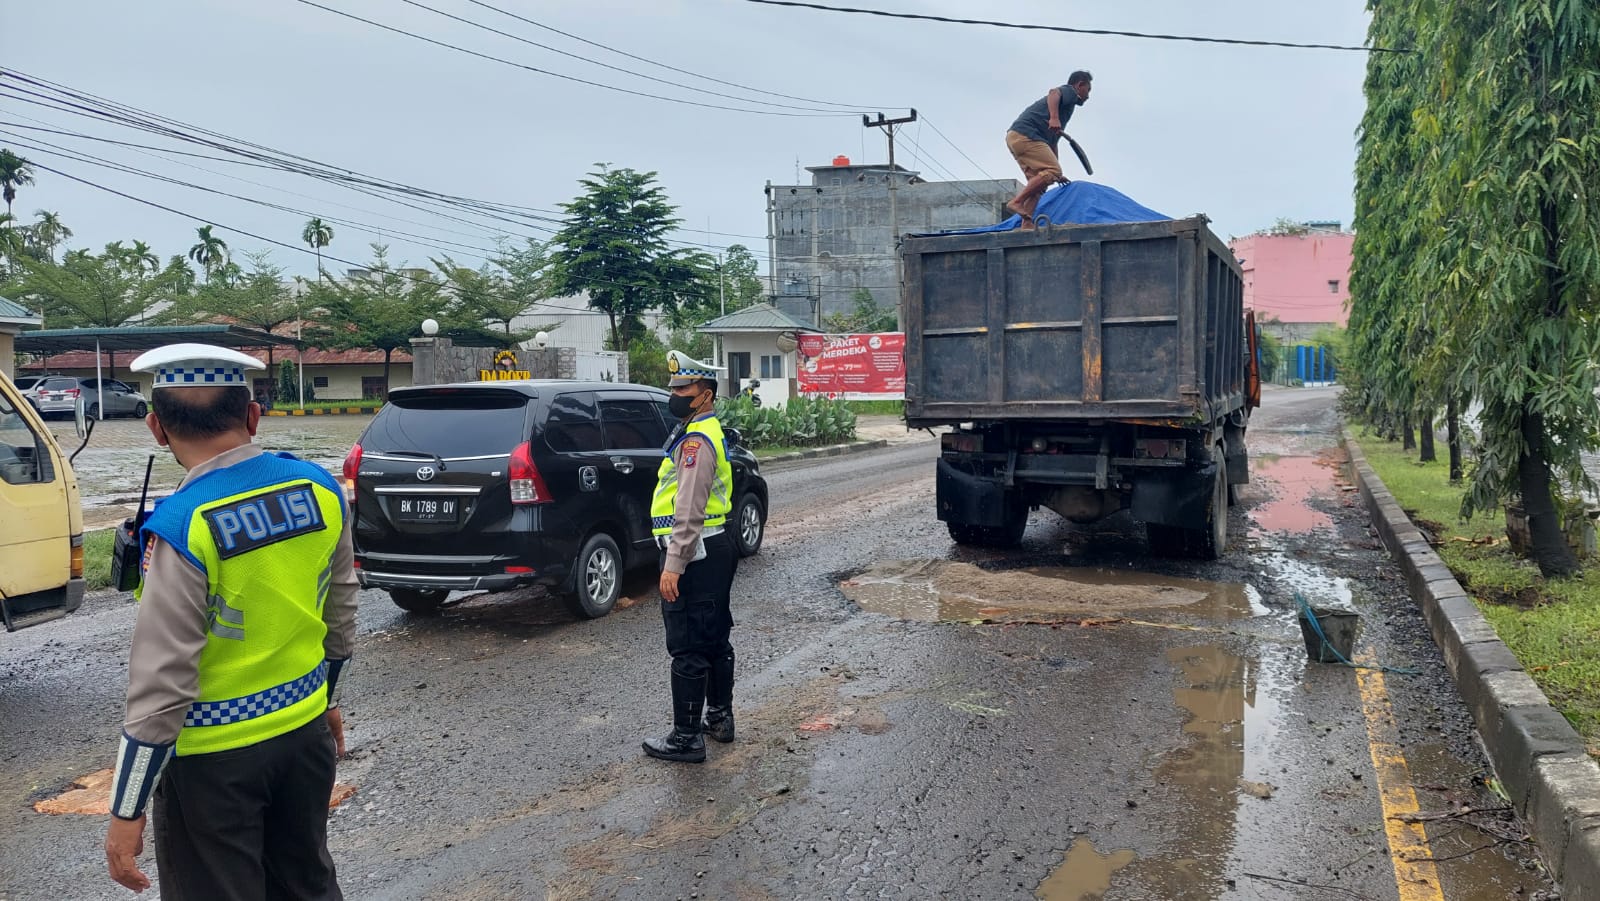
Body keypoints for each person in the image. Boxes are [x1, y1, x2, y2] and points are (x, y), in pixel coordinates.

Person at [104, 343, 357, 900]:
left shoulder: (184, 525)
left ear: (156, 429)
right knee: (307, 884)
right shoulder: (320, 488)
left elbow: (161, 683)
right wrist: (328, 701)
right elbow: (339, 610)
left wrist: (127, 809)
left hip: (214, 764)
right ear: (252, 415)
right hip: (304, 736)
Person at [643, 350, 739, 763]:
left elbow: (689, 511)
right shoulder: (703, 431)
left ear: (706, 395)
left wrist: (674, 563)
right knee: (715, 637)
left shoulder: (696, 441)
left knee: (687, 646)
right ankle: (719, 719)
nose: (676, 395)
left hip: (696, 552)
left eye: (685, 388)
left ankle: (686, 738)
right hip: (715, 548)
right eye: (674, 389)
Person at [1005, 71, 1094, 229]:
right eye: (1088, 90)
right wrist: (1054, 117)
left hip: (1017, 138)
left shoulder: (1065, 109)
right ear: (1080, 85)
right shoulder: (1070, 93)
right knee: (1052, 171)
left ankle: (1026, 224)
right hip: (1027, 135)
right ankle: (1016, 202)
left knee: (1040, 186)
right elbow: (1054, 92)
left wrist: (1057, 173)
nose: (1088, 96)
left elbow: (1052, 143)